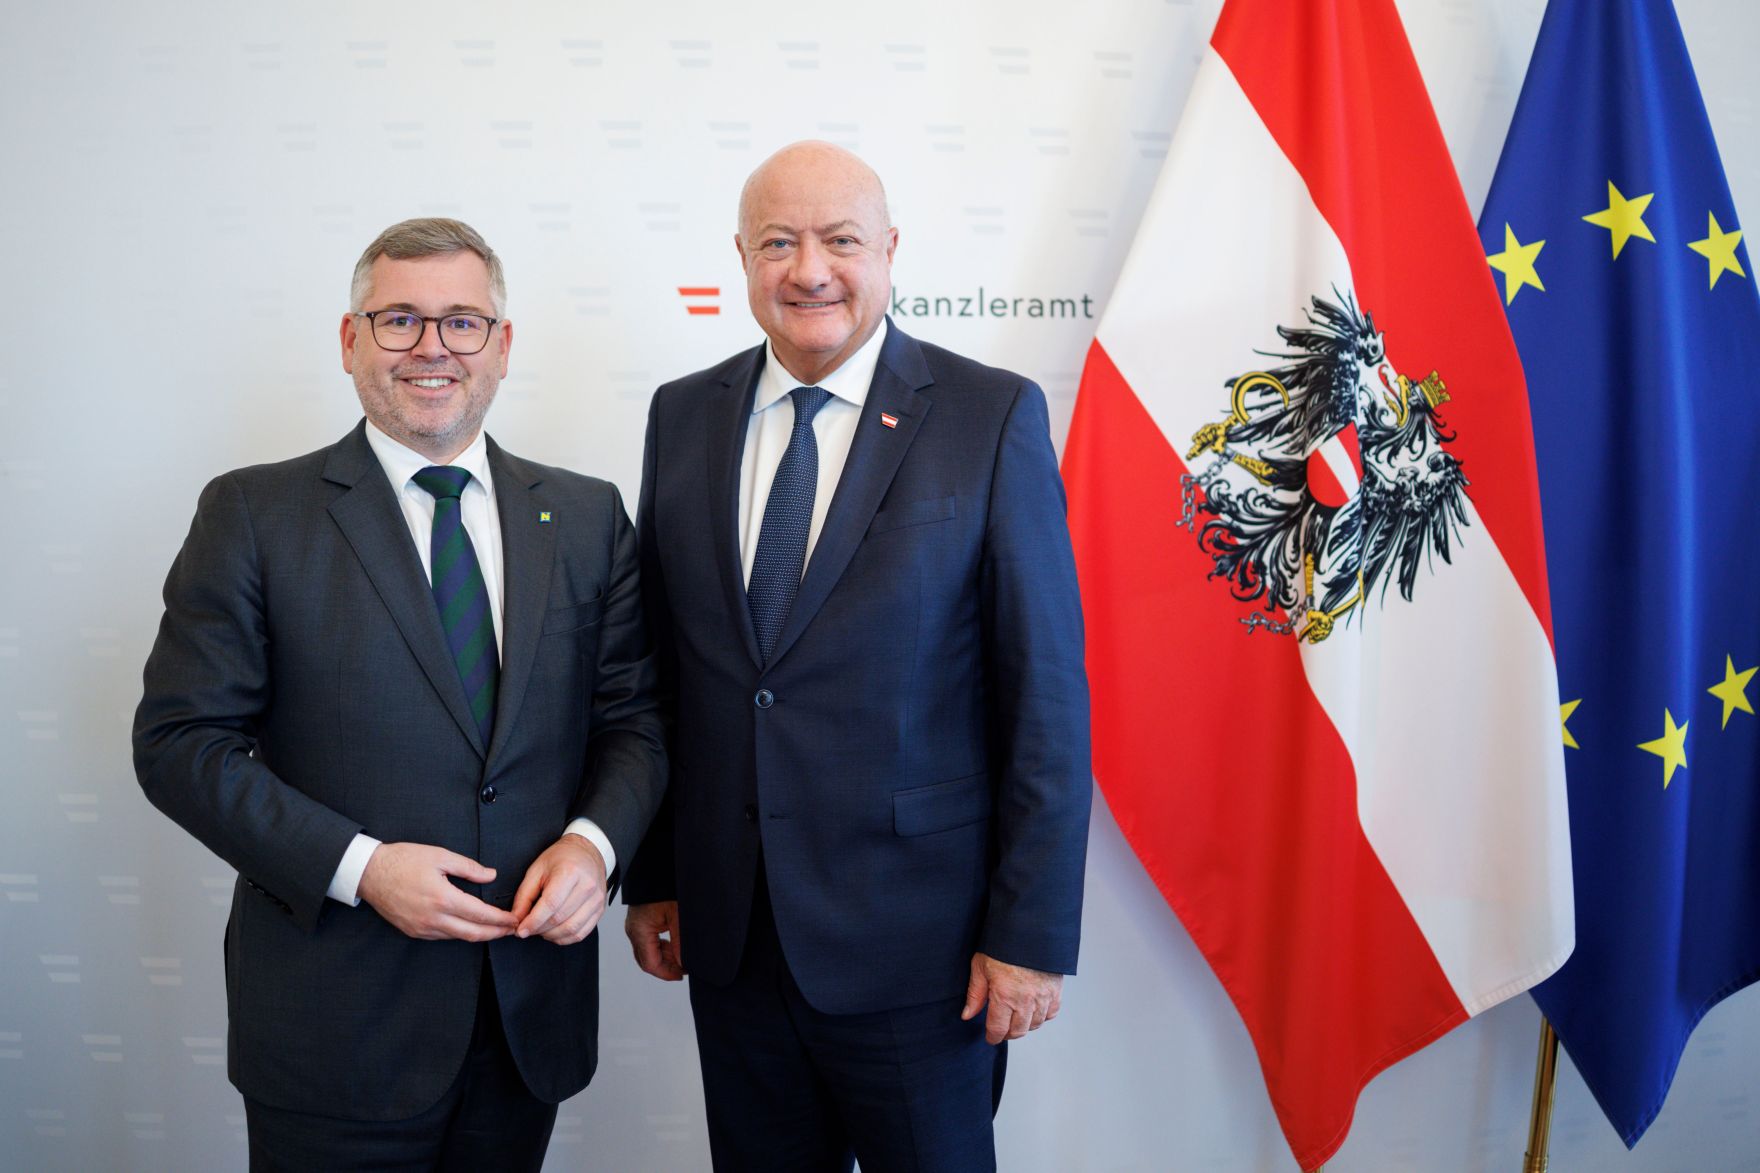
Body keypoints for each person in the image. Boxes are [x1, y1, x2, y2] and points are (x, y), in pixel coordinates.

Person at [133, 218, 665, 1170]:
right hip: (337, 1025)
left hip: (524, 1019)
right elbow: (182, 743)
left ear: (502, 347)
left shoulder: (587, 516)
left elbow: (634, 723)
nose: (432, 348)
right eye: (399, 321)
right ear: (350, 342)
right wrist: (360, 866)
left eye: (463, 322)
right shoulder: (254, 513)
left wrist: (594, 846)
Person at [621, 141, 1091, 1172]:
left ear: (889, 251)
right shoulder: (680, 415)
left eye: (839, 240)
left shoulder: (988, 415)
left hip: (922, 955)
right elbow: (664, 672)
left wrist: (1030, 935)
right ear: (740, 258)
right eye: (778, 242)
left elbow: (1044, 698)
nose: (809, 270)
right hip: (732, 941)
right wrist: (652, 876)